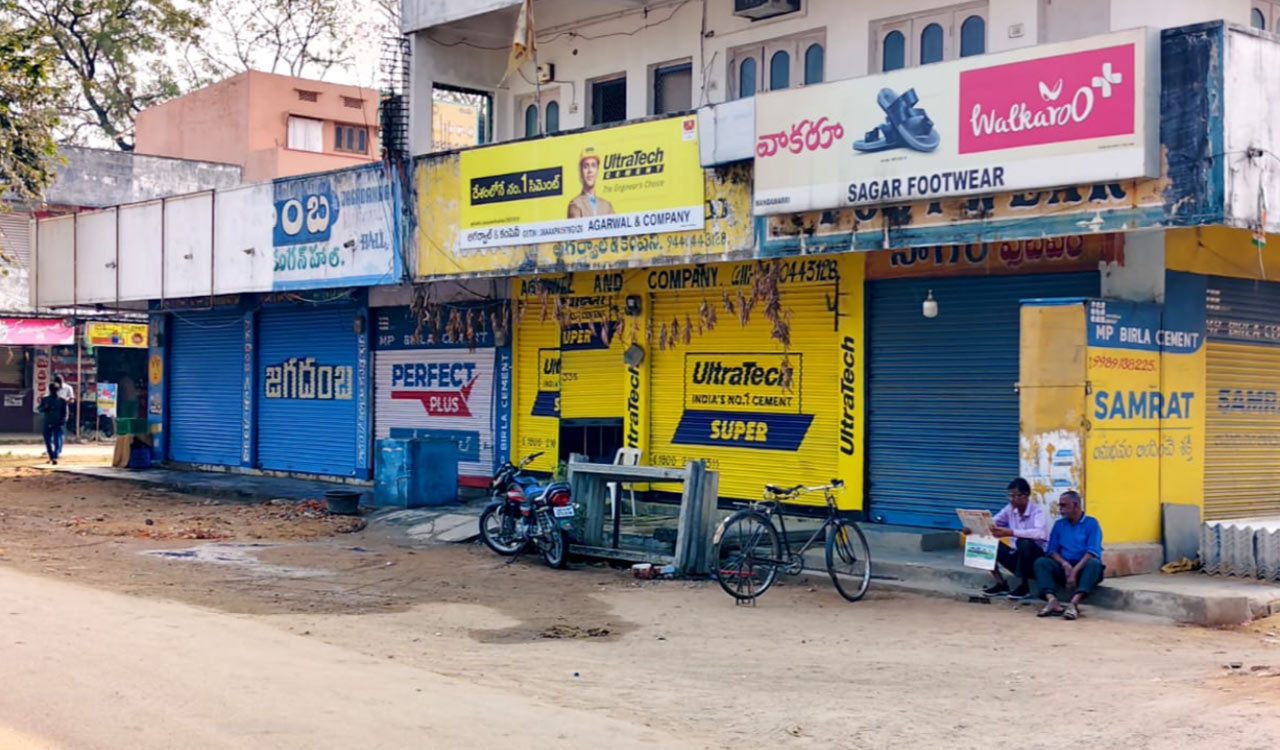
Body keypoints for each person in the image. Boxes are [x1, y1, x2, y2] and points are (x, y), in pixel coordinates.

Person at [1033, 491, 1105, 620]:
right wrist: (1064, 564)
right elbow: (1051, 550)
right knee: (1041, 562)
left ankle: (1074, 603)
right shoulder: (1059, 525)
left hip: (1083, 569)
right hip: (1064, 568)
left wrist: (1074, 572)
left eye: (1064, 506)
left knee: (1094, 564)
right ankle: (1052, 600)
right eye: (1060, 506)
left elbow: (1092, 552)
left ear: (1075, 505)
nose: (1061, 510)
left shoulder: (1091, 524)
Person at [977, 478, 1047, 598]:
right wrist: (974, 527)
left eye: (1015, 496)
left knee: (1024, 543)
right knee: (988, 542)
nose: (1011, 499)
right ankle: (1000, 583)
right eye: (1009, 496)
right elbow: (993, 522)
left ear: (1026, 496)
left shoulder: (1037, 511)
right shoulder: (1010, 509)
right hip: (1016, 556)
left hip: (1034, 559)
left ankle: (1023, 586)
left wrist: (1011, 532)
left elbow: (1039, 534)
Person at [567, 147, 614, 218]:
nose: (590, 171)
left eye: (593, 166)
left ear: (598, 170)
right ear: (581, 172)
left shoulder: (607, 206)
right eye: (586, 166)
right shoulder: (575, 204)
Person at [38, 382, 67, 465]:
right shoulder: (46, 399)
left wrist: (62, 421)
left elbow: (65, 413)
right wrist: (45, 408)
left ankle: (54, 456)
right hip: (48, 422)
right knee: (49, 440)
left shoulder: (62, 401)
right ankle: (52, 456)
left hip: (56, 422)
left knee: (56, 440)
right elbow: (39, 409)